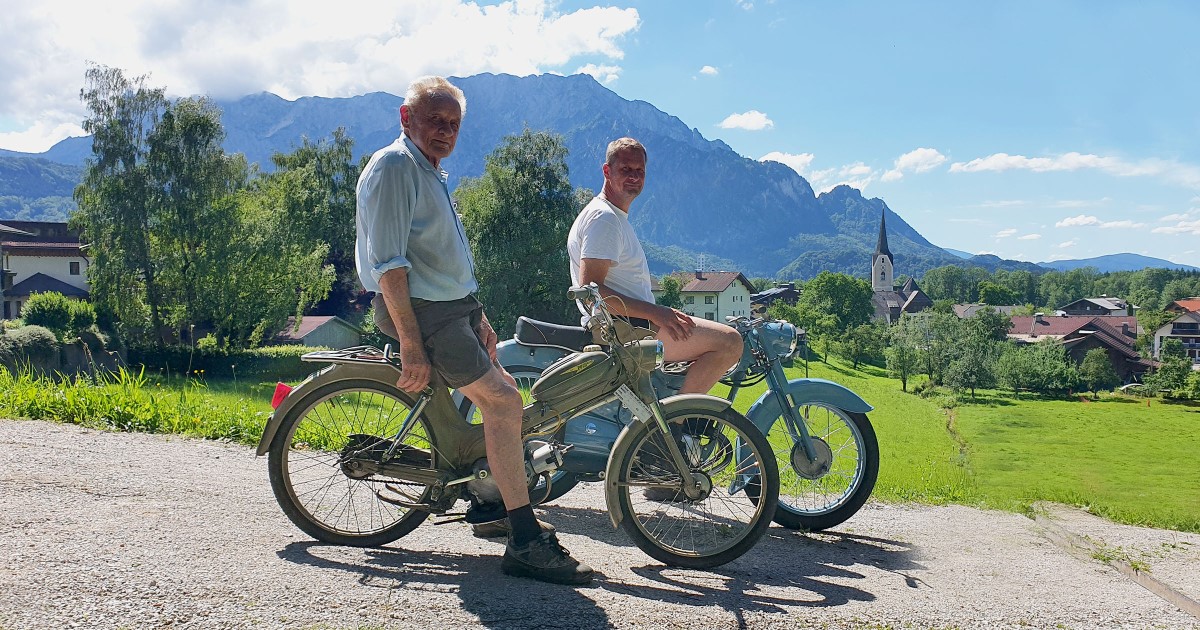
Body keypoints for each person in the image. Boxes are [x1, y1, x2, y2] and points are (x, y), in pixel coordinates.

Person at [355, 76, 592, 585]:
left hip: (450, 309)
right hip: (423, 314)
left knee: (500, 401)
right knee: (505, 402)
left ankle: (489, 503)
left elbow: (446, 262)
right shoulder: (396, 166)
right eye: (434, 120)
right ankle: (525, 541)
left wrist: (478, 316)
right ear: (406, 118)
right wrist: (412, 342)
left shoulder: (429, 170)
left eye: (453, 124)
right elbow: (390, 266)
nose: (444, 131)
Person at [567, 137, 743, 397]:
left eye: (640, 171)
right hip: (627, 328)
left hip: (630, 323)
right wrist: (657, 313)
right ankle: (678, 425)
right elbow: (593, 292)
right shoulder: (604, 218)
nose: (634, 177)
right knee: (730, 342)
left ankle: (669, 414)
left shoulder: (611, 216)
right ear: (607, 171)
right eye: (626, 169)